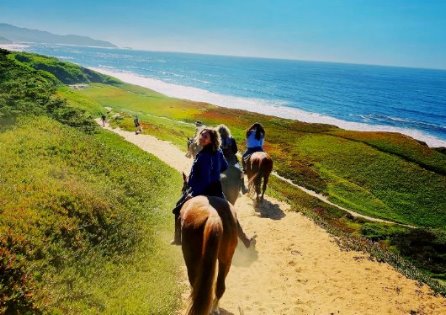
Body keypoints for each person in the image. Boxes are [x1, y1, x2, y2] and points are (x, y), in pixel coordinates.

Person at [171, 127, 228, 245]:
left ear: (211, 140)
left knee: (177, 208)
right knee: (229, 212)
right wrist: (215, 173)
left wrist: (193, 194)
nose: (201, 137)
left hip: (201, 189)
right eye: (201, 135)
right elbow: (225, 166)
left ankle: (178, 239)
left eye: (205, 136)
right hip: (216, 189)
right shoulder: (219, 152)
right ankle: (243, 238)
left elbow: (204, 181)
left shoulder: (203, 156)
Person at [217, 124, 248, 194]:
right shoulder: (232, 139)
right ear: (227, 131)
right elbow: (235, 150)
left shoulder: (217, 140)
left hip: (220, 161)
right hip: (232, 160)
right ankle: (243, 188)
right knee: (240, 172)